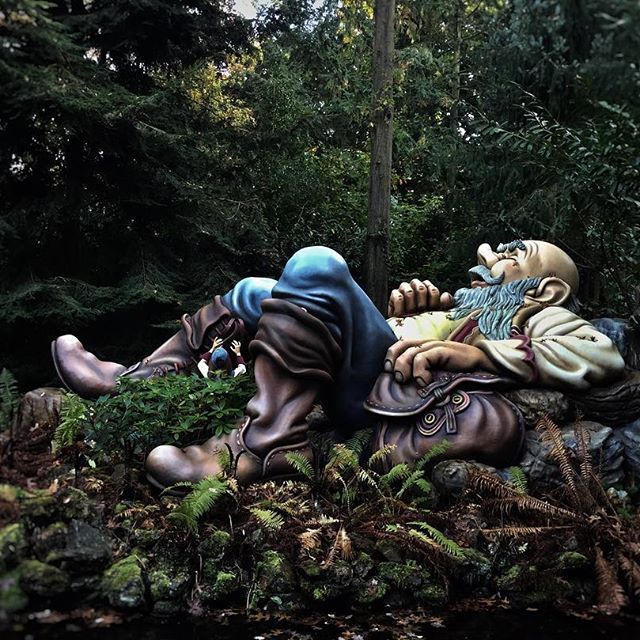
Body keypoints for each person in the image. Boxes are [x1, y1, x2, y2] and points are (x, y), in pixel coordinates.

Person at [51, 241, 625, 489]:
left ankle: (265, 445)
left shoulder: (539, 315)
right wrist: (410, 314)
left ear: (546, 287)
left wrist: (478, 352)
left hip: (386, 396)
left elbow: (600, 352)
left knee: (317, 265)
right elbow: (389, 332)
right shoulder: (465, 307)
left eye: (514, 256)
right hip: (374, 373)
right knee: (255, 290)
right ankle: (138, 381)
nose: (490, 255)